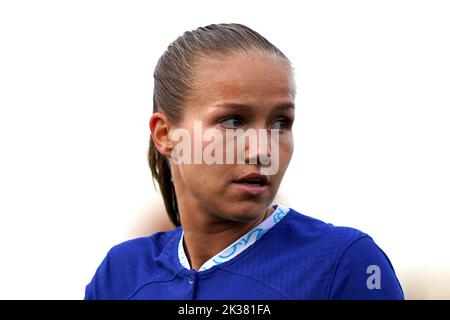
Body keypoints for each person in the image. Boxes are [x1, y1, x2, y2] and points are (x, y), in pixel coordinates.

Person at [84, 23, 404, 300]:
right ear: (166, 134)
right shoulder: (120, 274)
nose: (262, 151)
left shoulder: (346, 263)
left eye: (280, 123)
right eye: (233, 122)